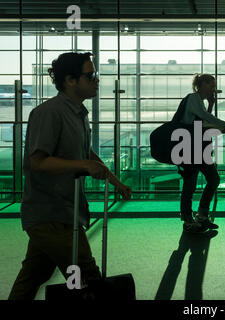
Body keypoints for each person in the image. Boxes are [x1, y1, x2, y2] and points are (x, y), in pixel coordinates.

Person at [8, 52, 132, 300]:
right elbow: (37, 162)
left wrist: (116, 182)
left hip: (65, 211)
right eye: (91, 75)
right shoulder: (50, 113)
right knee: (87, 276)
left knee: (33, 276)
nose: (96, 80)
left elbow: (86, 153)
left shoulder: (78, 113)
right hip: (50, 215)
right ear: (70, 80)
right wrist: (83, 165)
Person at [178, 74, 225, 233]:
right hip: (190, 146)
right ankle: (188, 219)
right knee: (190, 184)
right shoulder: (193, 98)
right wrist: (222, 124)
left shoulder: (197, 101)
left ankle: (201, 215)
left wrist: (211, 104)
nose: (213, 89)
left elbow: (201, 121)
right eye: (211, 85)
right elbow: (204, 118)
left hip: (197, 147)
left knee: (212, 179)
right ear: (202, 85)